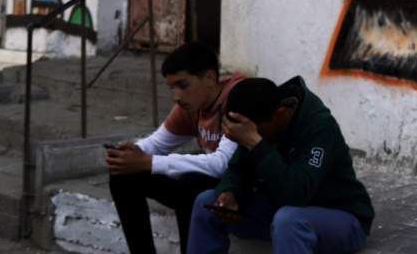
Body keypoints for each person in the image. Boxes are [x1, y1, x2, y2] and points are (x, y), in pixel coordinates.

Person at [190, 77, 375, 254]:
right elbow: (239, 169)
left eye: (259, 132)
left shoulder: (319, 126)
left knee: (289, 220)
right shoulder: (258, 117)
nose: (256, 138)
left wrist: (257, 145)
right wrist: (229, 193)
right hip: (280, 210)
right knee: (204, 202)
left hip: (342, 218)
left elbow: (298, 194)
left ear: (279, 112)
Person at [106, 42, 244, 254]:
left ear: (209, 78)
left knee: (190, 184)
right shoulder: (190, 106)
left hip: (242, 193)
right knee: (123, 174)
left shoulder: (238, 99)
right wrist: (128, 153)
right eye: (172, 88)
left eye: (183, 86)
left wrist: (148, 161)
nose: (175, 97)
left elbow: (222, 165)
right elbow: (157, 143)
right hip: (212, 187)